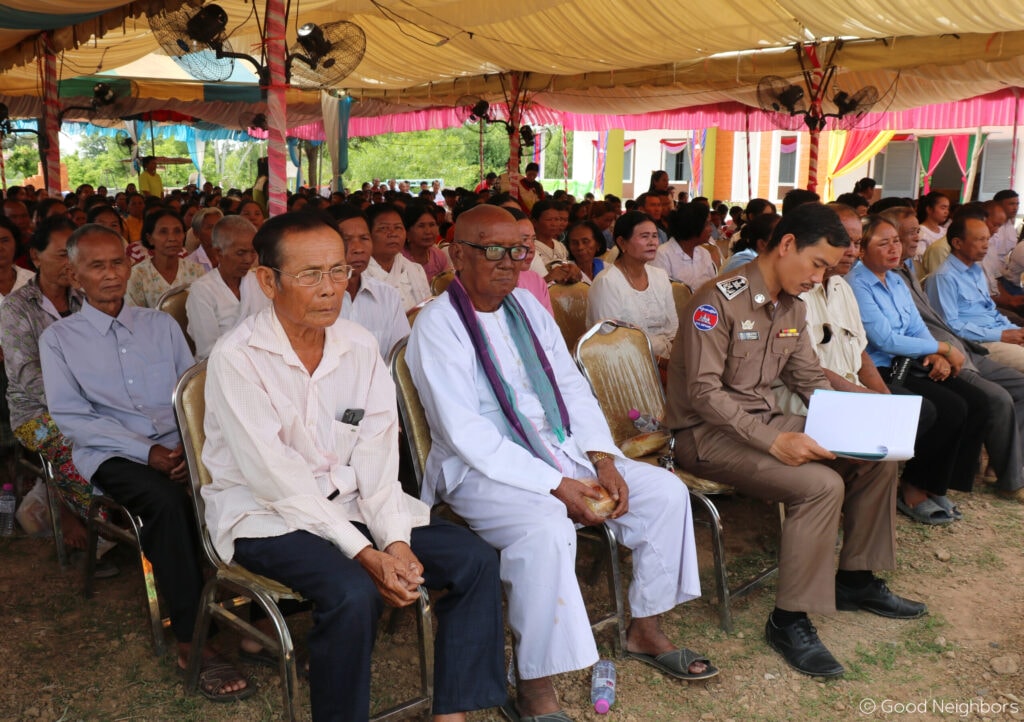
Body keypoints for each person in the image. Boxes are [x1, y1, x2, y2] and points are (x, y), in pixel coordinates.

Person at [407, 204, 712, 722]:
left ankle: (645, 628)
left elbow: (573, 387)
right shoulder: (438, 325)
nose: (509, 261)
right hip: (482, 471)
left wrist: (604, 459)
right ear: (457, 253)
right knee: (547, 528)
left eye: (518, 250)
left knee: (664, 491)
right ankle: (536, 686)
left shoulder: (527, 307)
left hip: (563, 448)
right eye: (492, 249)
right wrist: (558, 485)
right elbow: (466, 434)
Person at [202, 212, 506, 722]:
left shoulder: (359, 344)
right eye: (310, 275)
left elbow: (378, 455)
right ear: (267, 280)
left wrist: (397, 542)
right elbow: (276, 480)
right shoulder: (238, 357)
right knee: (352, 590)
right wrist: (367, 554)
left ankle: (453, 710)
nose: (330, 290)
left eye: (338, 272)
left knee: (474, 558)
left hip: (351, 502)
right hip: (265, 514)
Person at [667, 203, 925, 679]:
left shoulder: (793, 305)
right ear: (787, 245)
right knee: (821, 485)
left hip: (764, 422)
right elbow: (703, 395)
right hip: (704, 435)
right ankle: (788, 620)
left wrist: (870, 408)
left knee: (877, 456)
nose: (820, 277)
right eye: (818, 264)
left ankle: (855, 579)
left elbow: (810, 378)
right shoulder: (717, 300)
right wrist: (773, 442)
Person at [39, 223, 251, 701]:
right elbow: (73, 418)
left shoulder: (159, 324)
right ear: (75, 275)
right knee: (169, 505)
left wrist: (183, 446)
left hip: (175, 443)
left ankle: (249, 615)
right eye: (97, 266)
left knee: (238, 482)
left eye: (118, 262)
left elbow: (188, 393)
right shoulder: (60, 340)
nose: (111, 274)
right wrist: (147, 453)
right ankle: (192, 641)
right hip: (112, 453)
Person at [849, 215, 991, 522]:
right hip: (883, 368)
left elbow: (916, 327)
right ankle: (913, 487)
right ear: (862, 250)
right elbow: (885, 339)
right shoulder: (857, 283)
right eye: (883, 243)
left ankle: (938, 484)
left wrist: (937, 354)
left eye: (896, 241)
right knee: (949, 407)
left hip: (913, 361)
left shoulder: (897, 280)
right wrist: (942, 348)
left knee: (978, 401)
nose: (893, 248)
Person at [1, 217, 118, 569]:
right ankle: (101, 528)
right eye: (60, 255)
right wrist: (78, 404)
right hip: (35, 413)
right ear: (35, 257)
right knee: (72, 446)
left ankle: (120, 517)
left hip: (96, 401)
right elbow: (26, 374)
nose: (70, 264)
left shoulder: (87, 300)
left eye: (73, 255)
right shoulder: (18, 308)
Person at [887, 206, 1024, 504]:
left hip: (954, 349)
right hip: (942, 352)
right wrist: (939, 350)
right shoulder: (936, 277)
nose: (916, 240)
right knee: (979, 400)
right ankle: (930, 486)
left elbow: (923, 323)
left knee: (1008, 389)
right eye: (909, 233)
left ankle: (1005, 468)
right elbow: (936, 327)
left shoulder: (906, 272)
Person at [926, 213, 1024, 373]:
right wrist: (1001, 335)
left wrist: (1014, 330)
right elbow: (949, 327)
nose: (986, 245)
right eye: (979, 240)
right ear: (957, 243)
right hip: (978, 342)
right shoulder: (943, 277)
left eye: (987, 239)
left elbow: (990, 311)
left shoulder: (975, 270)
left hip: (998, 333)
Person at [588, 211, 678, 362]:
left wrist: (677, 363)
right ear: (622, 243)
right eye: (644, 236)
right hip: (624, 363)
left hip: (665, 359)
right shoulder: (607, 282)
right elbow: (609, 340)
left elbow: (673, 329)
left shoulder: (660, 276)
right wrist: (662, 365)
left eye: (654, 236)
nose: (652, 242)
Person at [331, 205, 411, 357]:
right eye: (346, 239)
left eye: (364, 238)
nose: (358, 249)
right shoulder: (312, 298)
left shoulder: (388, 296)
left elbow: (400, 358)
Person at [186, 216, 263, 360]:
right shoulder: (202, 291)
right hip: (220, 366)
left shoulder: (257, 282)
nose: (248, 259)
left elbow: (269, 330)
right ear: (218, 253)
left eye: (253, 252)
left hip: (260, 360)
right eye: (241, 253)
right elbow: (207, 349)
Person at [126, 210, 206, 308]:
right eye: (163, 232)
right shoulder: (137, 275)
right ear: (149, 238)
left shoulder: (196, 270)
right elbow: (133, 316)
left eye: (177, 231)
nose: (172, 238)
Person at [364, 203, 431, 311]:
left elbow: (428, 311)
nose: (393, 233)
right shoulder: (360, 276)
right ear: (367, 234)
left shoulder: (416, 270)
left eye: (398, 227)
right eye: (383, 228)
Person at [652, 203, 718, 290]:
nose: (711, 229)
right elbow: (661, 292)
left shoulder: (704, 253)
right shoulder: (662, 254)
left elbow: (712, 287)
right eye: (707, 224)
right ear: (693, 226)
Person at [401, 203, 452, 284]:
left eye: (432, 225)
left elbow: (449, 286)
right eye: (421, 226)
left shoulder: (439, 256)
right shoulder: (399, 259)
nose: (428, 231)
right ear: (407, 231)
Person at [187, 208, 224, 272]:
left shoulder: (232, 258)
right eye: (210, 227)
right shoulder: (189, 263)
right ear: (196, 233)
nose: (217, 231)